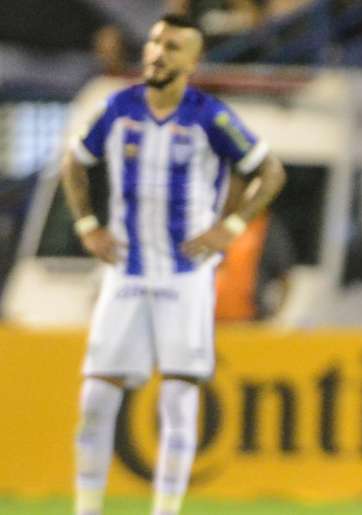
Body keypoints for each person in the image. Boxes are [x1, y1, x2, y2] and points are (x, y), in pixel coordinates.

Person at [60, 14, 286, 515]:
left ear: (192, 60)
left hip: (184, 279)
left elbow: (269, 171)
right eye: (155, 42)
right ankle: (86, 509)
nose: (158, 52)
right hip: (126, 272)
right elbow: (74, 161)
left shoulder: (210, 117)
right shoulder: (117, 109)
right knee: (96, 398)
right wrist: (86, 226)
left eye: (172, 46)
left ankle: (165, 511)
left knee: (178, 401)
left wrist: (230, 228)